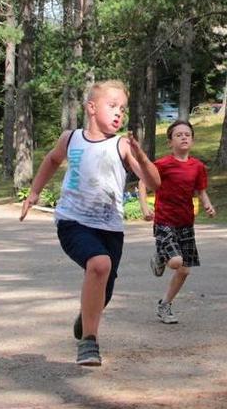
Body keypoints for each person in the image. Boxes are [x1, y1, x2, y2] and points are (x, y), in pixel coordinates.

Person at [20, 80, 160, 366]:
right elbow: (51, 160)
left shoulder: (122, 145)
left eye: (123, 109)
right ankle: (89, 342)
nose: (119, 113)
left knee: (104, 285)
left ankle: (86, 317)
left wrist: (142, 156)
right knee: (100, 265)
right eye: (112, 106)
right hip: (72, 221)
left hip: (110, 228)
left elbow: (155, 183)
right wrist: (34, 192)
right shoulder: (71, 138)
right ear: (92, 108)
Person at [137, 120, 215, 325]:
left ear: (192, 140)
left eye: (187, 134)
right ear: (170, 142)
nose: (183, 137)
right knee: (176, 262)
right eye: (178, 134)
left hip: (186, 222)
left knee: (184, 270)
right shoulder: (162, 164)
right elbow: (142, 181)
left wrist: (207, 205)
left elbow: (201, 190)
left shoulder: (197, 166)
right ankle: (162, 256)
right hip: (165, 220)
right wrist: (145, 207)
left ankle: (165, 304)